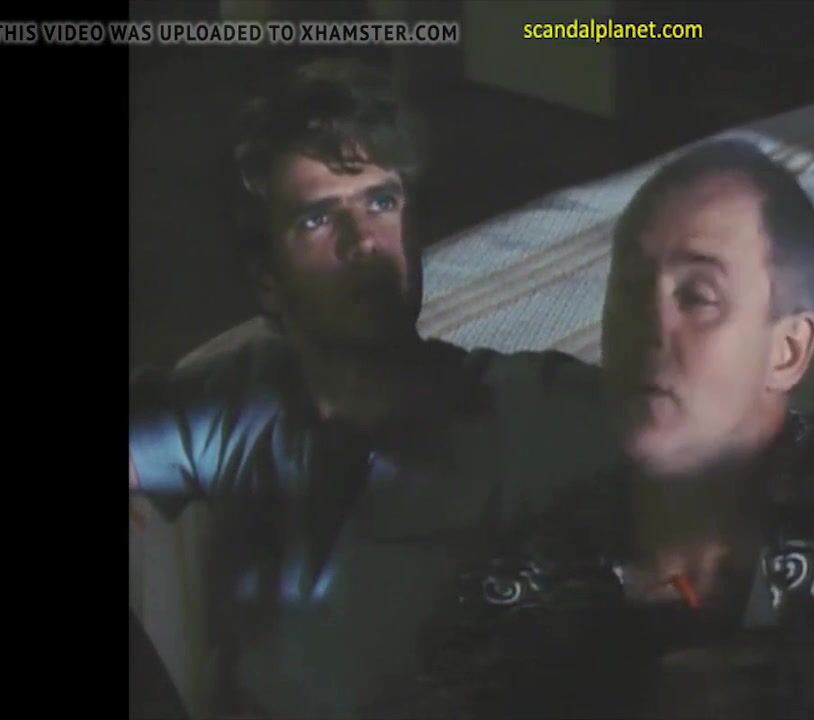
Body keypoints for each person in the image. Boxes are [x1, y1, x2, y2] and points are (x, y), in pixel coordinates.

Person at [414, 138, 814, 719]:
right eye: (631, 287)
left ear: (787, 350)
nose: (647, 327)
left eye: (698, 296)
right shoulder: (519, 598)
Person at [128, 58, 614, 719]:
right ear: (267, 282)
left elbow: (702, 453)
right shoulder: (239, 400)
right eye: (317, 220)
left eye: (381, 202)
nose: (365, 243)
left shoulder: (519, 408)